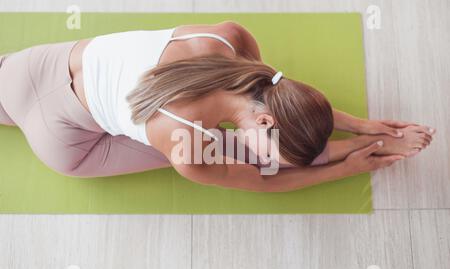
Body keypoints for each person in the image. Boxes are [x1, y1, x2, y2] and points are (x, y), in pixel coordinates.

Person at [0, 21, 435, 192]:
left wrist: (359, 123)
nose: (270, 158)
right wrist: (349, 167)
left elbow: (279, 90)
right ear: (266, 119)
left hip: (34, 66)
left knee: (241, 146)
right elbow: (262, 181)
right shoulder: (184, 141)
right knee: (236, 152)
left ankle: (370, 139)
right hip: (68, 142)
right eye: (274, 145)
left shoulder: (226, 39)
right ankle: (372, 145)